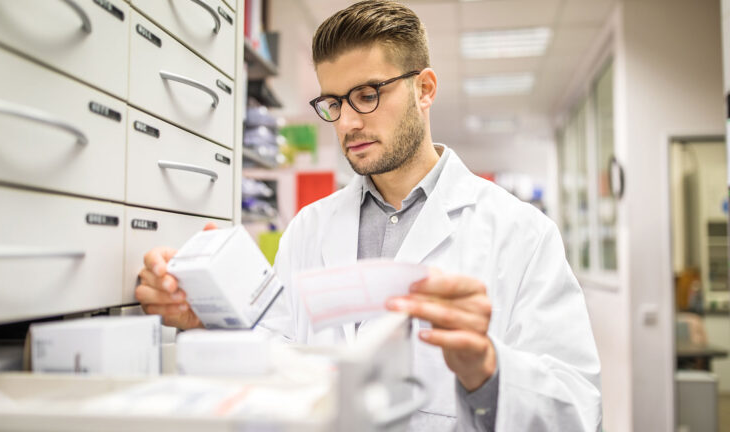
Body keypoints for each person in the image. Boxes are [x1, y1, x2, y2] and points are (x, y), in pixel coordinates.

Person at [135, 1, 602, 430]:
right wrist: (212, 319)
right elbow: (278, 356)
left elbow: (579, 407)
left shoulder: (521, 232)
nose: (346, 123)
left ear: (424, 89)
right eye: (334, 103)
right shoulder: (308, 229)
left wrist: (488, 370)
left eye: (367, 94)